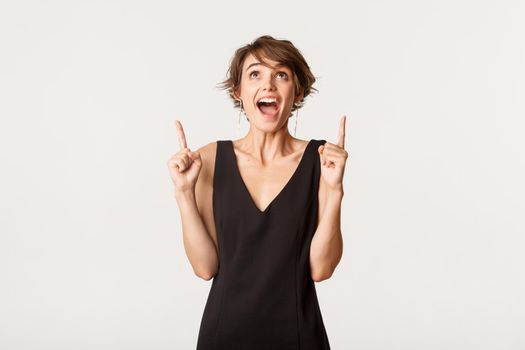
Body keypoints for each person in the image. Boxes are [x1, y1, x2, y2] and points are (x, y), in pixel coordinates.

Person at [167, 35, 348, 350]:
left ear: (298, 91)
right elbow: (205, 267)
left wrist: (334, 192)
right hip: (224, 336)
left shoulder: (322, 161)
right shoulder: (209, 159)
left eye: (281, 75)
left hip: (299, 337)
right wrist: (184, 194)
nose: (268, 85)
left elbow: (321, 269)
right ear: (239, 92)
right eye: (255, 74)